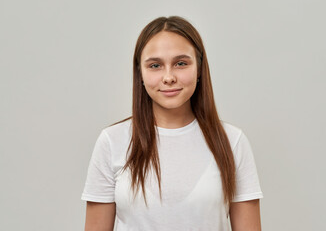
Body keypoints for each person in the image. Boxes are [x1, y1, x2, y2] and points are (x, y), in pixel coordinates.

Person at [81, 16, 263, 231]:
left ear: (199, 69)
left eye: (181, 63)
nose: (168, 77)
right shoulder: (112, 141)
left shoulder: (232, 141)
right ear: (140, 72)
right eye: (155, 65)